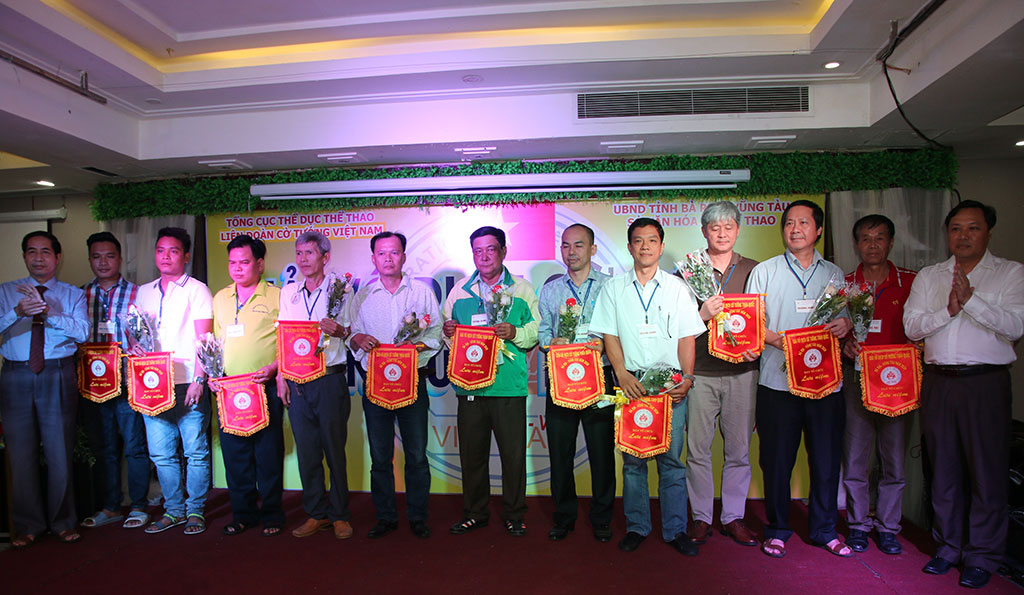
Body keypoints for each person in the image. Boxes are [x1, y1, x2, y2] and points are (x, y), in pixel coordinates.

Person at [904, 200, 1024, 589]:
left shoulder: (1010, 273)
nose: (963, 236)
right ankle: (948, 547)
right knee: (944, 468)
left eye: (973, 228)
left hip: (985, 383)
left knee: (987, 472)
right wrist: (950, 311)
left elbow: (1015, 326)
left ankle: (983, 555)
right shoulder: (930, 276)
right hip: (939, 382)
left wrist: (972, 300)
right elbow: (912, 326)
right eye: (956, 228)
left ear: (988, 231)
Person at [589, 217, 705, 556]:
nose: (645, 246)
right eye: (638, 240)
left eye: (652, 240)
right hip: (632, 385)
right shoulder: (613, 288)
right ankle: (637, 526)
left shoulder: (678, 288)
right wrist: (622, 374)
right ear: (629, 247)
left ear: (661, 246)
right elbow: (609, 334)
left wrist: (687, 378)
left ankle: (675, 529)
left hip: (670, 386)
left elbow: (686, 337)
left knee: (671, 461)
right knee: (633, 462)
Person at [745, 200, 853, 559]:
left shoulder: (834, 274)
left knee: (825, 459)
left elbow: (844, 320)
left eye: (803, 223)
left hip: (824, 383)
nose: (795, 229)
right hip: (778, 383)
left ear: (818, 230)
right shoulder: (765, 271)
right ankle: (777, 529)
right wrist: (781, 342)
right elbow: (751, 324)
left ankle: (824, 529)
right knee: (776, 461)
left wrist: (845, 324)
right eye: (789, 223)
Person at [442, 226, 540, 537]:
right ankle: (475, 512)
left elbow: (537, 331)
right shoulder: (460, 291)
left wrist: (516, 332)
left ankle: (514, 513)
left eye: (491, 249)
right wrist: (448, 333)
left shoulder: (522, 289)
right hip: (470, 386)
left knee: (513, 455)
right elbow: (448, 335)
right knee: (472, 455)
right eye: (478, 251)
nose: (484, 256)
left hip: (508, 386)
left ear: (503, 251)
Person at [348, 231, 442, 539]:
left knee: (416, 455)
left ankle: (418, 516)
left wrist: (417, 347)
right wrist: (357, 338)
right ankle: (386, 517)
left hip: (412, 382)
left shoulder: (421, 292)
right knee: (380, 456)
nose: (388, 258)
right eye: (382, 253)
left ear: (403, 256)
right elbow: (352, 335)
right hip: (375, 385)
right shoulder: (362, 296)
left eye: (394, 252)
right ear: (373, 258)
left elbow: (437, 334)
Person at [0, 231, 88, 547]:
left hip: (57, 372)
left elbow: (82, 332)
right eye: (32, 252)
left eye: (45, 252)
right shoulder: (6, 292)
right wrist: (17, 312)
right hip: (15, 374)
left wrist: (48, 311)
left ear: (57, 257)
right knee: (20, 453)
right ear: (24, 256)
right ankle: (28, 525)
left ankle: (63, 522)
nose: (39, 258)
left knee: (59, 451)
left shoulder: (72, 294)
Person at [683, 202, 760, 547]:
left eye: (728, 227)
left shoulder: (754, 269)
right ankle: (701, 517)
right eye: (715, 228)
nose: (722, 233)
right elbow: (676, 325)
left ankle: (732, 517)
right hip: (700, 371)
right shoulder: (688, 271)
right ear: (704, 232)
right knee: (698, 450)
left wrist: (758, 345)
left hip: (743, 371)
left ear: (738, 230)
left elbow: (762, 318)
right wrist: (701, 314)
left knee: (739, 451)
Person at [840, 215, 915, 556]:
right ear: (857, 244)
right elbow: (831, 329)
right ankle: (858, 525)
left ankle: (888, 527)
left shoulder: (910, 282)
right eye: (866, 238)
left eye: (879, 238)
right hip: (857, 380)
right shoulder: (845, 284)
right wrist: (845, 345)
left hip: (898, 384)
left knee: (893, 459)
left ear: (891, 242)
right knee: (856, 456)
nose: (872, 245)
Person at [133, 227, 214, 535]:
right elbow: (138, 333)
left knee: (195, 452)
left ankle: (195, 511)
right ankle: (174, 511)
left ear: (186, 256)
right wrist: (135, 346)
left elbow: (204, 339)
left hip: (187, 381)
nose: (166, 257)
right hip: (153, 384)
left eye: (173, 251)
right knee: (161, 454)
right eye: (160, 250)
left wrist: (199, 379)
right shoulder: (144, 291)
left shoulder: (197, 290)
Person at [537, 223, 615, 543]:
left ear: (593, 249)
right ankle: (564, 515)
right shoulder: (551, 289)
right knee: (560, 451)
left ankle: (602, 517)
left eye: (579, 245)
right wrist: (550, 342)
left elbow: (619, 330)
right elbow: (543, 331)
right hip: (561, 378)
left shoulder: (610, 286)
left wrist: (605, 345)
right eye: (566, 246)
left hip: (599, 376)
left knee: (601, 452)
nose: (572, 252)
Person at [277, 230, 354, 539]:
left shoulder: (341, 290)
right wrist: (281, 376)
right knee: (307, 452)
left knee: (334, 450)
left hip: (329, 379)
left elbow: (354, 331)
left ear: (325, 257)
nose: (303, 259)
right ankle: (316, 513)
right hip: (297, 381)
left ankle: (340, 515)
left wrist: (340, 331)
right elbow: (283, 336)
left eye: (309, 253)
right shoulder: (289, 292)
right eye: (299, 253)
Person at [211, 234, 286, 537]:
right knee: (235, 457)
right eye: (232, 262)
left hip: (263, 387)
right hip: (229, 390)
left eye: (244, 262)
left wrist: (274, 368)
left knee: (268, 454)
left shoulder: (277, 296)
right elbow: (213, 343)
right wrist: (212, 374)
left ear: (260, 264)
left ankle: (272, 515)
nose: (237, 268)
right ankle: (243, 515)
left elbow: (287, 342)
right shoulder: (220, 298)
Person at [79, 231, 151, 531]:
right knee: (104, 447)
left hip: (127, 378)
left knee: (134, 445)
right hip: (93, 382)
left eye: (109, 256)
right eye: (96, 257)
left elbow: (148, 336)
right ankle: (110, 507)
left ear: (120, 259)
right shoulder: (80, 294)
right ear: (89, 260)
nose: (103, 262)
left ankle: (138, 505)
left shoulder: (138, 293)